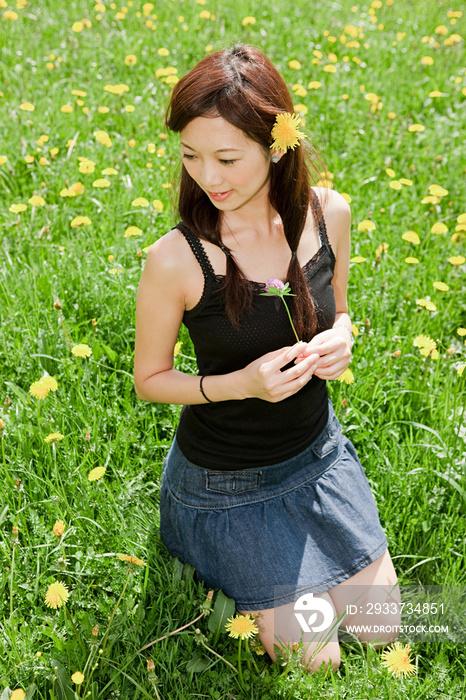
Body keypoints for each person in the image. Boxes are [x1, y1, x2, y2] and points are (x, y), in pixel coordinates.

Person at [134, 44, 400, 672]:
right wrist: (241, 385)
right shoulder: (174, 259)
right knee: (319, 658)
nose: (209, 176)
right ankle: (215, 563)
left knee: (391, 625)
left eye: (227, 158)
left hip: (317, 460)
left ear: (277, 145)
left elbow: (338, 310)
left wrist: (344, 337)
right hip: (225, 487)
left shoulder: (328, 213)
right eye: (191, 156)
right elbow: (150, 380)